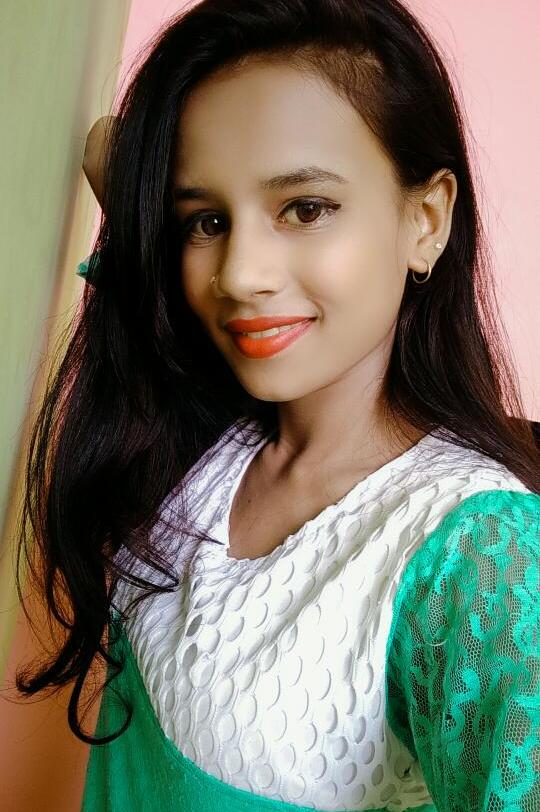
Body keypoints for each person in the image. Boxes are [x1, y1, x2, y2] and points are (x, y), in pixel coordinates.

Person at [17, 1, 539, 810]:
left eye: (306, 208)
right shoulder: (211, 426)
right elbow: (111, 156)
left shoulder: (477, 555)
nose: (238, 275)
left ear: (427, 219)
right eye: (207, 221)